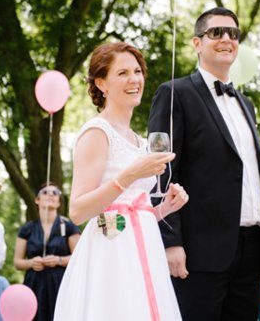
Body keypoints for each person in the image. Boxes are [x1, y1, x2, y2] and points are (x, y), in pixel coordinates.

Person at [147, 7, 260, 320]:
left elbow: (233, 171)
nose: (226, 38)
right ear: (197, 43)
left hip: (251, 246)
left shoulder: (245, 103)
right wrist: (170, 241)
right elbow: (159, 171)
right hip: (200, 250)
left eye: (233, 33)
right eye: (216, 32)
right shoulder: (174, 94)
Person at [54, 42, 189, 320]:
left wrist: (166, 208)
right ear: (102, 83)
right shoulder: (97, 132)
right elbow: (78, 210)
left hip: (145, 248)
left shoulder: (138, 141)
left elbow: (133, 209)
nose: (134, 80)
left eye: (138, 71)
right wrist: (129, 175)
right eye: (123, 73)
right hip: (111, 250)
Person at [14, 183, 81, 321]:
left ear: (58, 202)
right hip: (34, 286)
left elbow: (80, 258)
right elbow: (17, 262)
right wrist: (30, 263)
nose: (50, 194)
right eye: (45, 192)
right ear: (37, 200)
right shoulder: (27, 229)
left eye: (55, 193)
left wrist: (59, 260)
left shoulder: (69, 227)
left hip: (60, 284)